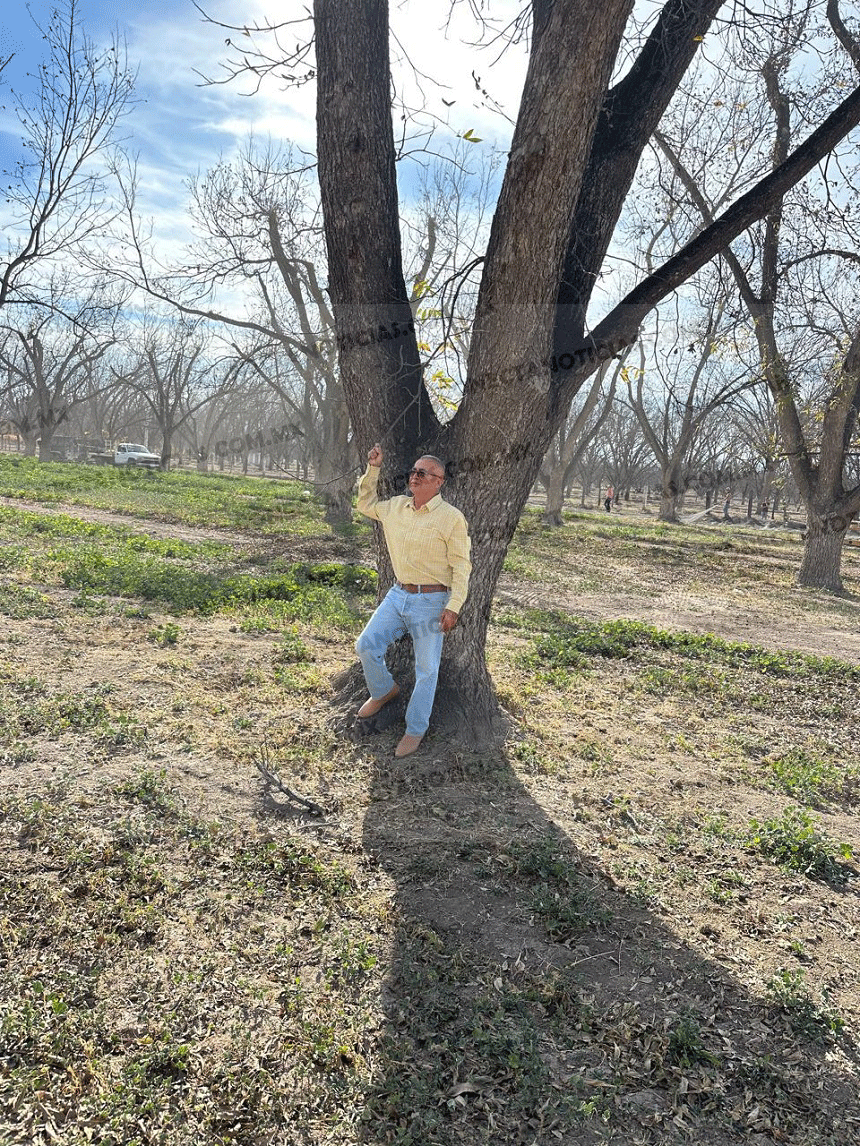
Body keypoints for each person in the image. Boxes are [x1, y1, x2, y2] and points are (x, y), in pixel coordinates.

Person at [353, 443, 471, 757]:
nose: (415, 477)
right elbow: (365, 504)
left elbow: (462, 564)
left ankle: (415, 729)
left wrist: (454, 604)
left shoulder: (451, 518)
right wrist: (373, 468)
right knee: (366, 645)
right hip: (398, 595)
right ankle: (383, 690)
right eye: (414, 471)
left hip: (432, 601)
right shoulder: (395, 508)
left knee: (427, 668)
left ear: (439, 481)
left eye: (423, 473)